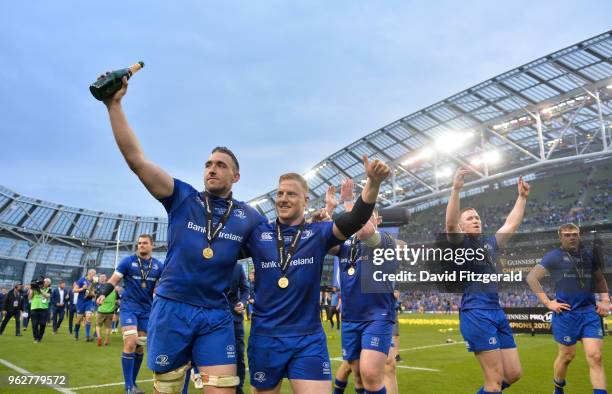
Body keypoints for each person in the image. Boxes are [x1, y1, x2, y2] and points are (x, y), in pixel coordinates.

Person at [99, 73, 266, 394]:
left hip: (216, 314)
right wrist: (113, 105)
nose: (212, 168)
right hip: (172, 307)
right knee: (169, 388)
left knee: (223, 388)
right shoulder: (183, 197)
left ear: (236, 175)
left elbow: (277, 245)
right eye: (208, 163)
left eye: (220, 164)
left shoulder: (248, 216)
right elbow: (137, 160)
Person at [245, 156, 389, 394]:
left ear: (305, 199)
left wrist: (372, 183)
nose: (283, 199)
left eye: (291, 194)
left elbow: (354, 220)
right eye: (280, 194)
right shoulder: (259, 234)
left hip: (307, 339)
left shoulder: (317, 233)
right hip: (266, 337)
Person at [445, 169, 529, 394]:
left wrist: (521, 198)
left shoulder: (489, 245)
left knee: (513, 374)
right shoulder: (460, 245)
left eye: (477, 217)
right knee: (494, 381)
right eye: (470, 218)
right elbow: (450, 226)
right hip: (476, 312)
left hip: (496, 311)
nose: (475, 220)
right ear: (463, 226)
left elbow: (510, 225)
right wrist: (455, 190)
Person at [326, 179, 398, 394]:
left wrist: (349, 201)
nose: (362, 217)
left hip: (377, 317)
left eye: (368, 213)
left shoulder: (385, 241)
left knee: (370, 374)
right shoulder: (347, 246)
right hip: (350, 319)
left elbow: (365, 231)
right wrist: (329, 211)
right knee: (357, 375)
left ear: (378, 219)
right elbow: (323, 241)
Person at [526, 223, 609, 394]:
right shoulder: (553, 257)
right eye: (567, 234)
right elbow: (532, 278)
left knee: (596, 357)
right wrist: (548, 303)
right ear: (560, 237)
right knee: (567, 357)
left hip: (589, 312)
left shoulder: (588, 255)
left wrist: (605, 300)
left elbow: (600, 280)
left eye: (575, 234)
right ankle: (558, 387)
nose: (572, 237)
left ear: (579, 235)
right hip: (566, 314)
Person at [97, 234, 163, 394]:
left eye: (145, 243)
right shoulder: (128, 262)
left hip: (147, 310)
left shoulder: (158, 266)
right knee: (130, 342)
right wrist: (103, 293)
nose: (141, 245)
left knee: (140, 346)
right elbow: (113, 280)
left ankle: (132, 384)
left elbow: (163, 286)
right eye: (139, 243)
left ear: (151, 245)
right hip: (129, 307)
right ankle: (128, 387)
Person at [226, 263, 249, 394]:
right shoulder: (213, 261)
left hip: (235, 318)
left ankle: (238, 390)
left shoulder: (238, 267)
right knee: (218, 356)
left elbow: (245, 289)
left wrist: (243, 302)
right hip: (215, 318)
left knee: (239, 356)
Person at [73, 269, 96, 341]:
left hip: (89, 301)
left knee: (89, 317)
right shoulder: (81, 280)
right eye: (94, 274)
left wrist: (92, 294)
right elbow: (74, 290)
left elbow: (94, 293)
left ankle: (87, 336)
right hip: (81, 302)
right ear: (89, 273)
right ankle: (76, 332)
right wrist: (82, 288)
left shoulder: (94, 282)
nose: (94, 275)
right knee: (79, 319)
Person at [95, 274, 116, 347]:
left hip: (101, 310)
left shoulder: (101, 290)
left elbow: (97, 300)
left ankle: (99, 337)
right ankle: (106, 340)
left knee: (98, 325)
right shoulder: (114, 291)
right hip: (110, 311)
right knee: (108, 327)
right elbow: (117, 300)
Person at [28, 277, 51, 343]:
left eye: (46, 282)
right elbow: (29, 298)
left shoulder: (49, 289)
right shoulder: (34, 289)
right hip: (34, 308)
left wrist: (39, 289)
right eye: (44, 282)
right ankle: (36, 338)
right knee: (34, 324)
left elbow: (47, 296)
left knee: (43, 324)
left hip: (43, 309)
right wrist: (32, 289)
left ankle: (40, 336)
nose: (45, 283)